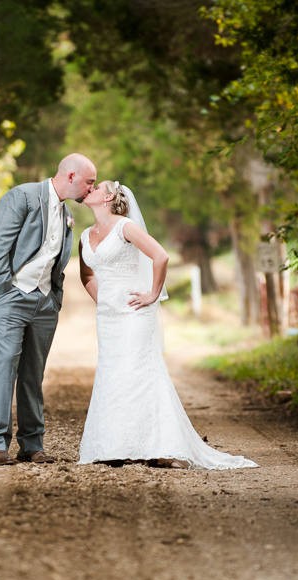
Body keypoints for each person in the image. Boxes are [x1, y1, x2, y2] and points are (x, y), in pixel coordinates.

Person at [77, 180, 258, 470]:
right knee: (112, 376)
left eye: (97, 187)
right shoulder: (86, 235)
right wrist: (103, 300)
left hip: (136, 314)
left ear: (109, 196)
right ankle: (114, 447)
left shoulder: (125, 227)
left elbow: (161, 256)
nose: (91, 190)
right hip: (108, 317)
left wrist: (151, 294)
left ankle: (161, 448)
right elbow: (87, 276)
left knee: (138, 374)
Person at [0, 154, 97, 466]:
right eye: (88, 182)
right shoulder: (21, 196)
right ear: (70, 176)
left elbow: (56, 259)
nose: (90, 189)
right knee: (6, 362)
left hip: (43, 302)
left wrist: (55, 298)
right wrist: (0, 292)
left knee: (33, 372)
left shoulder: (66, 213)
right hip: (9, 297)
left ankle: (31, 445)